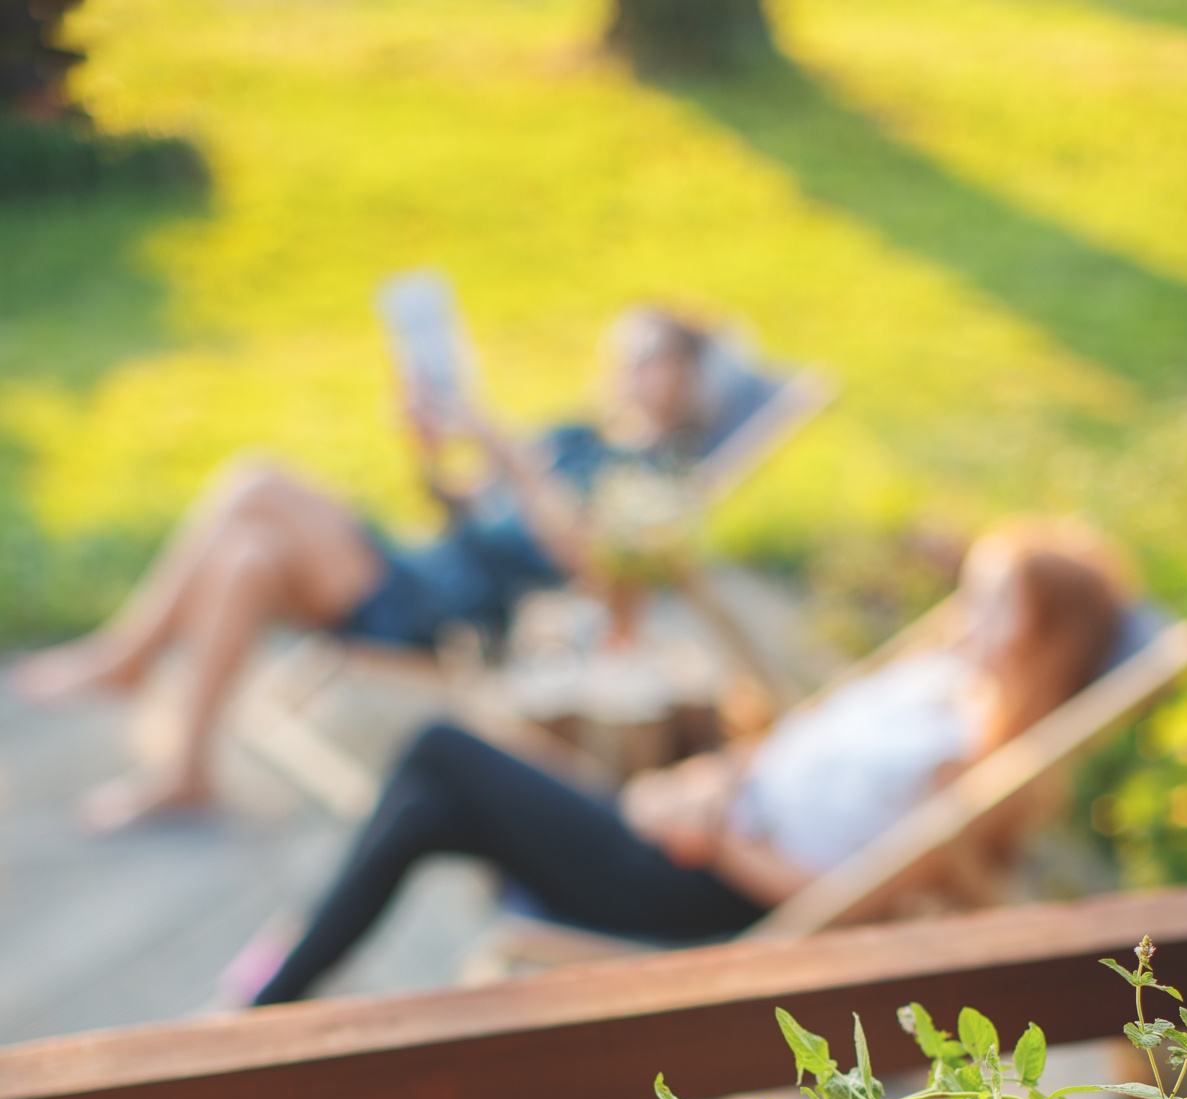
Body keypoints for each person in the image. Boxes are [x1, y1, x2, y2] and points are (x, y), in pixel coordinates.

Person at [246, 520, 1131, 1005]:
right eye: (972, 592)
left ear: (1045, 641)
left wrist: (711, 840)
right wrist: (706, 784)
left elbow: (855, 898)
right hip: (694, 829)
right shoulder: (935, 681)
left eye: (996, 605)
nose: (966, 613)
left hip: (700, 891)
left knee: (444, 756)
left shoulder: (964, 764)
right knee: (432, 804)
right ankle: (281, 999)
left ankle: (278, 996)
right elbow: (788, 752)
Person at [7, 308, 757, 832]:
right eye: (620, 351)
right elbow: (458, 506)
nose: (623, 367)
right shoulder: (572, 434)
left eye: (646, 353)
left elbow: (596, 569)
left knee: (256, 481)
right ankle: (187, 770)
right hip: (419, 567)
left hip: (448, 613)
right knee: (245, 556)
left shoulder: (654, 477)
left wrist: (506, 452)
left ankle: (125, 661)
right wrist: (430, 451)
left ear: (688, 376)